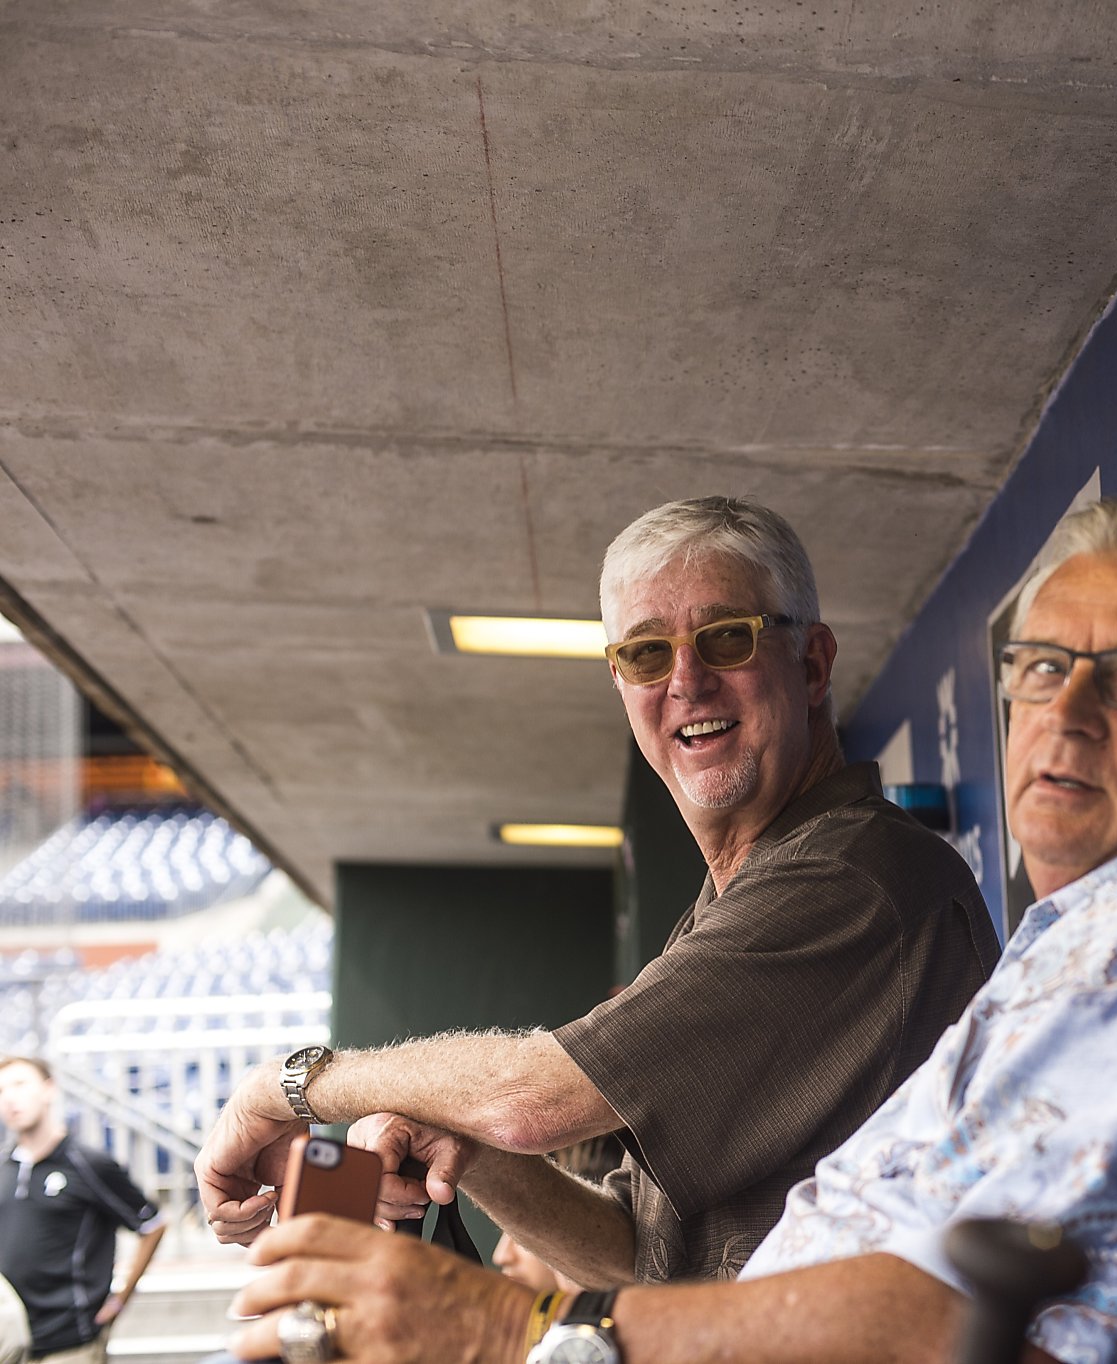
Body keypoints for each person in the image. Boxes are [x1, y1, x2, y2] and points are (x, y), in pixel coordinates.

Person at [221, 492, 1117, 1364]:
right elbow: (647, 1258)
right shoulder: (1093, 934)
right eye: (1041, 668)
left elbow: (960, 1318)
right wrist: (482, 1170)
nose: (1066, 714)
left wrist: (507, 1326)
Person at [197, 496, 1000, 1286]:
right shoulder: (728, 902)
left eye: (725, 639)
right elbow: (629, 1254)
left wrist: (287, 1087)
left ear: (814, 664)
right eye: (647, 653)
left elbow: (533, 1100)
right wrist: (467, 1151)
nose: (687, 681)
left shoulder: (852, 874)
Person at [0, 1057, 166, 1364]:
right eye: (1, 1090)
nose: (10, 1097)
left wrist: (119, 1300)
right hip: (12, 1341)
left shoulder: (87, 1163)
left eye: (20, 1084)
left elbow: (152, 1225)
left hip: (70, 1342)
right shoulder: (4, 1167)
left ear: (49, 1090)